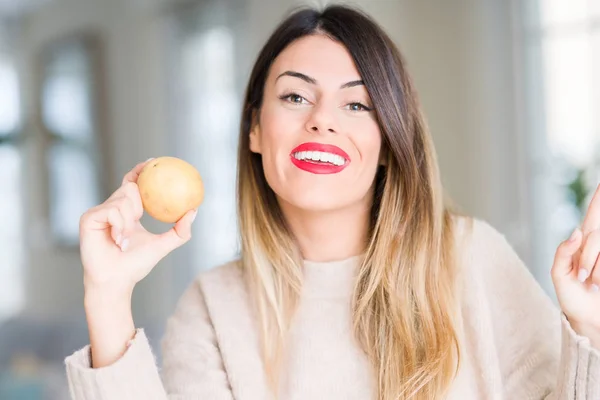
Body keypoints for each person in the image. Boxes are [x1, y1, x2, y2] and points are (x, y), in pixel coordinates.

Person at [64, 5, 600, 400]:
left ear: (389, 143)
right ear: (254, 127)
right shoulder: (212, 307)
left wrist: (592, 329)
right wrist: (108, 299)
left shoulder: (473, 258)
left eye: (357, 103)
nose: (322, 119)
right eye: (295, 96)